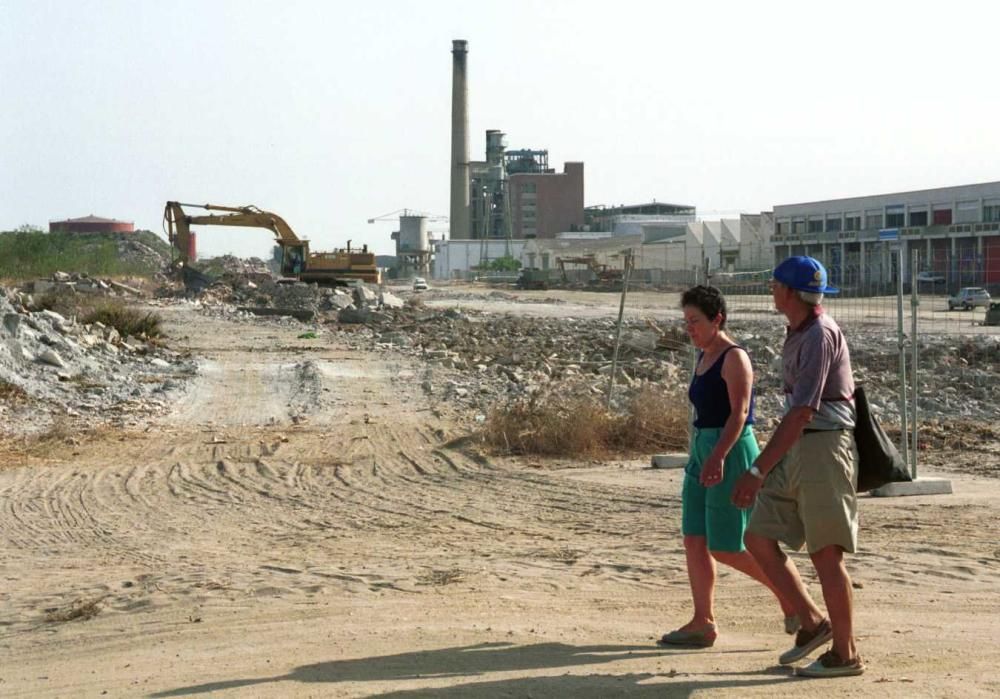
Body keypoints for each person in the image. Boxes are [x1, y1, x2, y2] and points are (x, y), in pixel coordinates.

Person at [731, 256, 864, 678]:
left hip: (823, 450)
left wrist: (757, 470)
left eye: (774, 285)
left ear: (789, 292)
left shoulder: (820, 335)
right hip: (798, 448)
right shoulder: (801, 331)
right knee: (758, 537)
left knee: (826, 554)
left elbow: (804, 410)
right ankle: (812, 623)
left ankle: (845, 655)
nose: (771, 290)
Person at [659, 285, 798, 648]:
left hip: (730, 448)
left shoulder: (734, 357)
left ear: (717, 319)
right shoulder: (703, 355)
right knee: (694, 539)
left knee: (727, 546)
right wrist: (703, 455)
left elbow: (739, 416)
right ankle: (702, 621)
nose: (688, 328)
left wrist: (719, 455)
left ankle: (793, 599)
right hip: (701, 448)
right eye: (686, 321)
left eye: (695, 321)